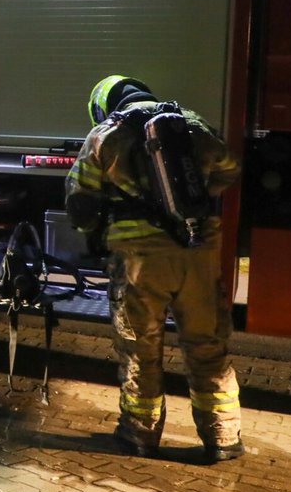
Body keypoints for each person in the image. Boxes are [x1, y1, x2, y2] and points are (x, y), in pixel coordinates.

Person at [66, 76, 244, 463]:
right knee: (207, 347)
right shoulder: (191, 123)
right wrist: (193, 197)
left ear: (105, 106)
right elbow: (231, 168)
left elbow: (79, 200)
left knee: (141, 350)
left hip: (139, 260)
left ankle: (139, 435)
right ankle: (223, 437)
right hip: (197, 254)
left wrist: (97, 228)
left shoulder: (106, 135)